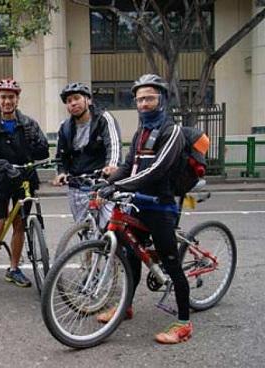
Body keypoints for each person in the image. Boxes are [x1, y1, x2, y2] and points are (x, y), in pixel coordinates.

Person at [98, 74, 192, 344]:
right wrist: (107, 183)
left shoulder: (171, 131)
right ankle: (125, 307)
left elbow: (157, 169)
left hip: (160, 206)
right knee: (130, 256)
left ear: (161, 99)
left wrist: (120, 187)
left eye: (149, 98)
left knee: (172, 264)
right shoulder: (141, 132)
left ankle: (184, 323)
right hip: (138, 203)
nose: (144, 104)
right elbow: (129, 166)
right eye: (140, 99)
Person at [0, 78, 49, 300]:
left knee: (19, 225)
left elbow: (43, 150)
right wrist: (5, 166)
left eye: (11, 97)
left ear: (17, 99)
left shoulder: (28, 123)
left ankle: (14, 268)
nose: (7, 101)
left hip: (24, 178)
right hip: (1, 179)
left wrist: (35, 146)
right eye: (3, 97)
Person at [52, 82, 121, 227]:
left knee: (109, 228)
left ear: (88, 100)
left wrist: (112, 166)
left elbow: (113, 145)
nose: (73, 103)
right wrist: (61, 172)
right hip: (77, 186)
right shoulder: (64, 127)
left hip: (101, 182)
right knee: (85, 231)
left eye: (76, 98)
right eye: (69, 101)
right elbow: (60, 156)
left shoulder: (103, 118)